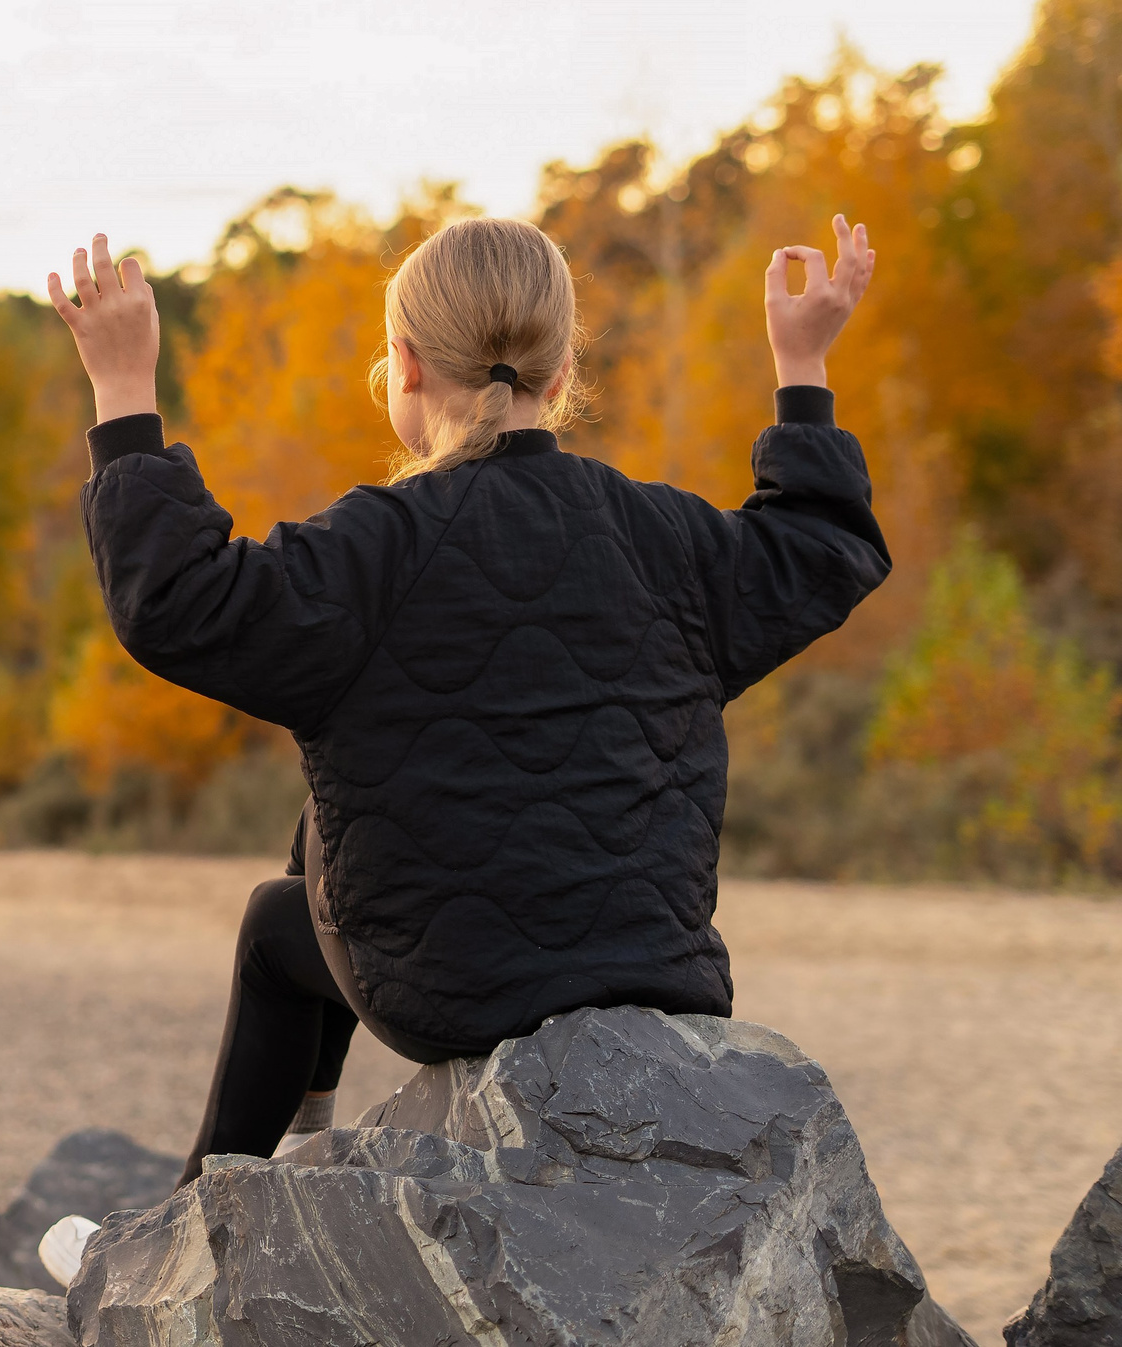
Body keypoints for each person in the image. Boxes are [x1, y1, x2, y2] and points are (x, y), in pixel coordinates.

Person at [44, 215, 889, 1184]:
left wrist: (120, 389)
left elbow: (179, 602)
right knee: (319, 826)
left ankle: (210, 1203)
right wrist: (802, 362)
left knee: (277, 922)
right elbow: (822, 549)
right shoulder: (664, 537)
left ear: (401, 367)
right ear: (561, 372)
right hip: (660, 976)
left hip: (450, 995)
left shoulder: (370, 550)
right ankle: (289, 1150)